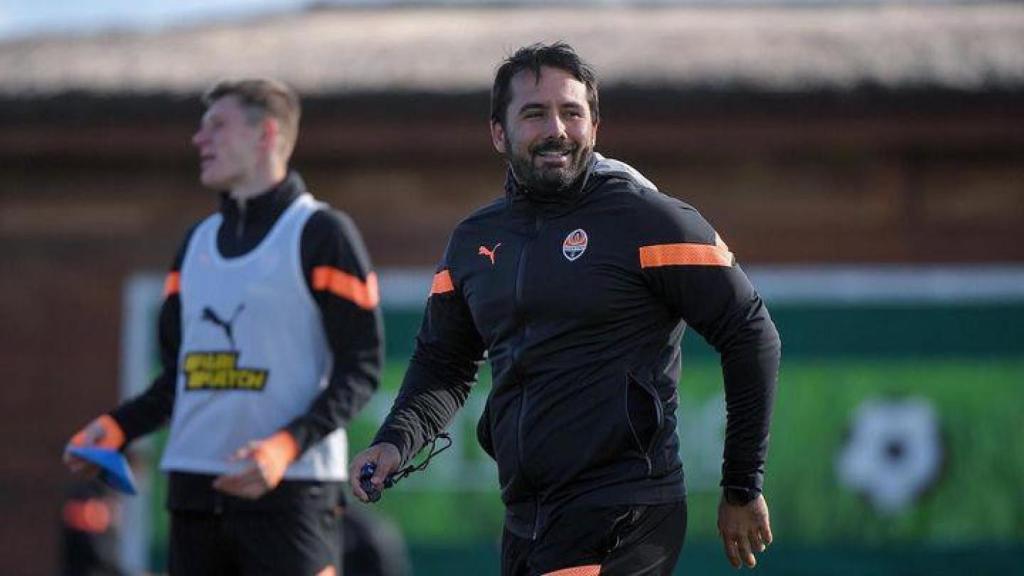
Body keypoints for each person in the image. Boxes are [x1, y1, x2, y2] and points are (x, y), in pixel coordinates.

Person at [350, 43, 781, 575]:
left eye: (571, 112)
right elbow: (444, 363)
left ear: (594, 127)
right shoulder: (472, 241)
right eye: (534, 113)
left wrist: (742, 485)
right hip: (526, 518)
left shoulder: (650, 220)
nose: (556, 128)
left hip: (625, 511)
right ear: (498, 133)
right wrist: (395, 442)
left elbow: (751, 333)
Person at [64, 78, 383, 576]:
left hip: (292, 495)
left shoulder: (322, 234)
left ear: (266, 135)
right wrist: (118, 428)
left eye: (217, 125)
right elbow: (179, 378)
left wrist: (284, 447)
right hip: (193, 496)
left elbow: (361, 370)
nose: (198, 139)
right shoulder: (195, 244)